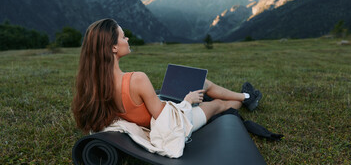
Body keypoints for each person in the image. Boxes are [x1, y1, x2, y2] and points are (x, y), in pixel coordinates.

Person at [72, 18, 262, 134]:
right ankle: (245, 101)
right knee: (218, 105)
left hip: (152, 116)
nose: (127, 39)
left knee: (202, 82)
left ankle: (245, 96)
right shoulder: (136, 79)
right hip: (168, 124)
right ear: (113, 47)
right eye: (123, 37)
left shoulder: (95, 83)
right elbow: (165, 120)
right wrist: (187, 102)